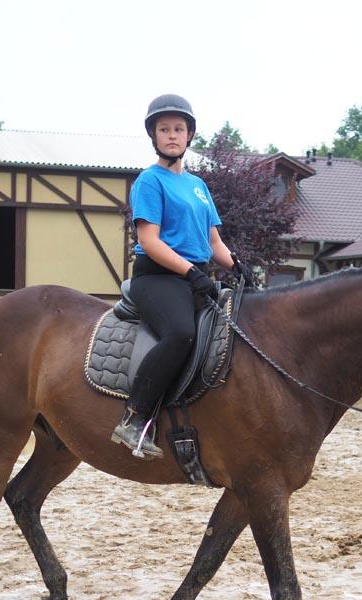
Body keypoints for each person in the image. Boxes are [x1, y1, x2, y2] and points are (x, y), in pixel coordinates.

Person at [111, 94, 254, 459]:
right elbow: (149, 240)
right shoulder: (149, 181)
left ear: (189, 135)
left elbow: (213, 241)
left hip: (194, 277)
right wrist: (191, 272)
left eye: (178, 129)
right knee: (181, 333)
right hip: (157, 278)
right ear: (154, 136)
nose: (172, 135)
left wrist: (237, 265)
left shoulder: (198, 186)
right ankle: (134, 418)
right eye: (164, 129)